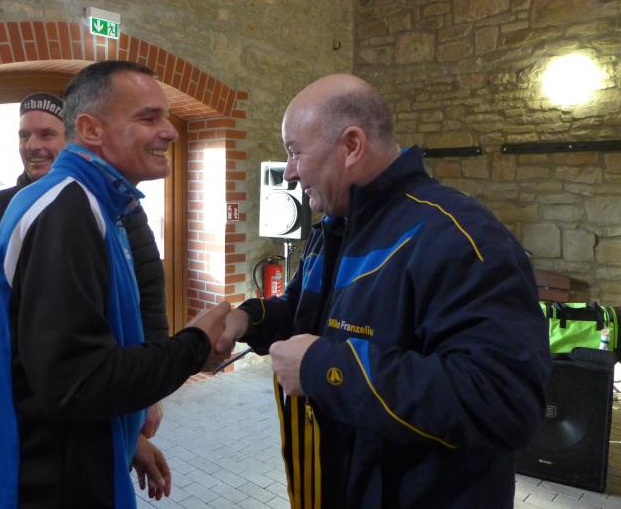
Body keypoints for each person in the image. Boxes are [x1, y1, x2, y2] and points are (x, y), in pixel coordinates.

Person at [216, 74, 551, 508]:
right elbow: (303, 310)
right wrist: (245, 319)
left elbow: (504, 403)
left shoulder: (460, 238)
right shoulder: (334, 227)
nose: (291, 173)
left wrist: (324, 369)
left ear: (352, 146)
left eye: (295, 152)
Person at [0, 60, 229, 509]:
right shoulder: (66, 212)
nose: (169, 132)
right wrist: (195, 347)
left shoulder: (95, 205)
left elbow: (70, 362)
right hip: (48, 488)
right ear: (91, 130)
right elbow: (78, 383)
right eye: (149, 118)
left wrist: (127, 441)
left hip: (78, 462)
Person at [0, 93, 169, 460]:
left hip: (99, 390)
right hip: (19, 400)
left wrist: (150, 391)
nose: (32, 146)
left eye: (46, 134)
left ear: (72, 140)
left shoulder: (119, 208)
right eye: (24, 136)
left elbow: (148, 298)